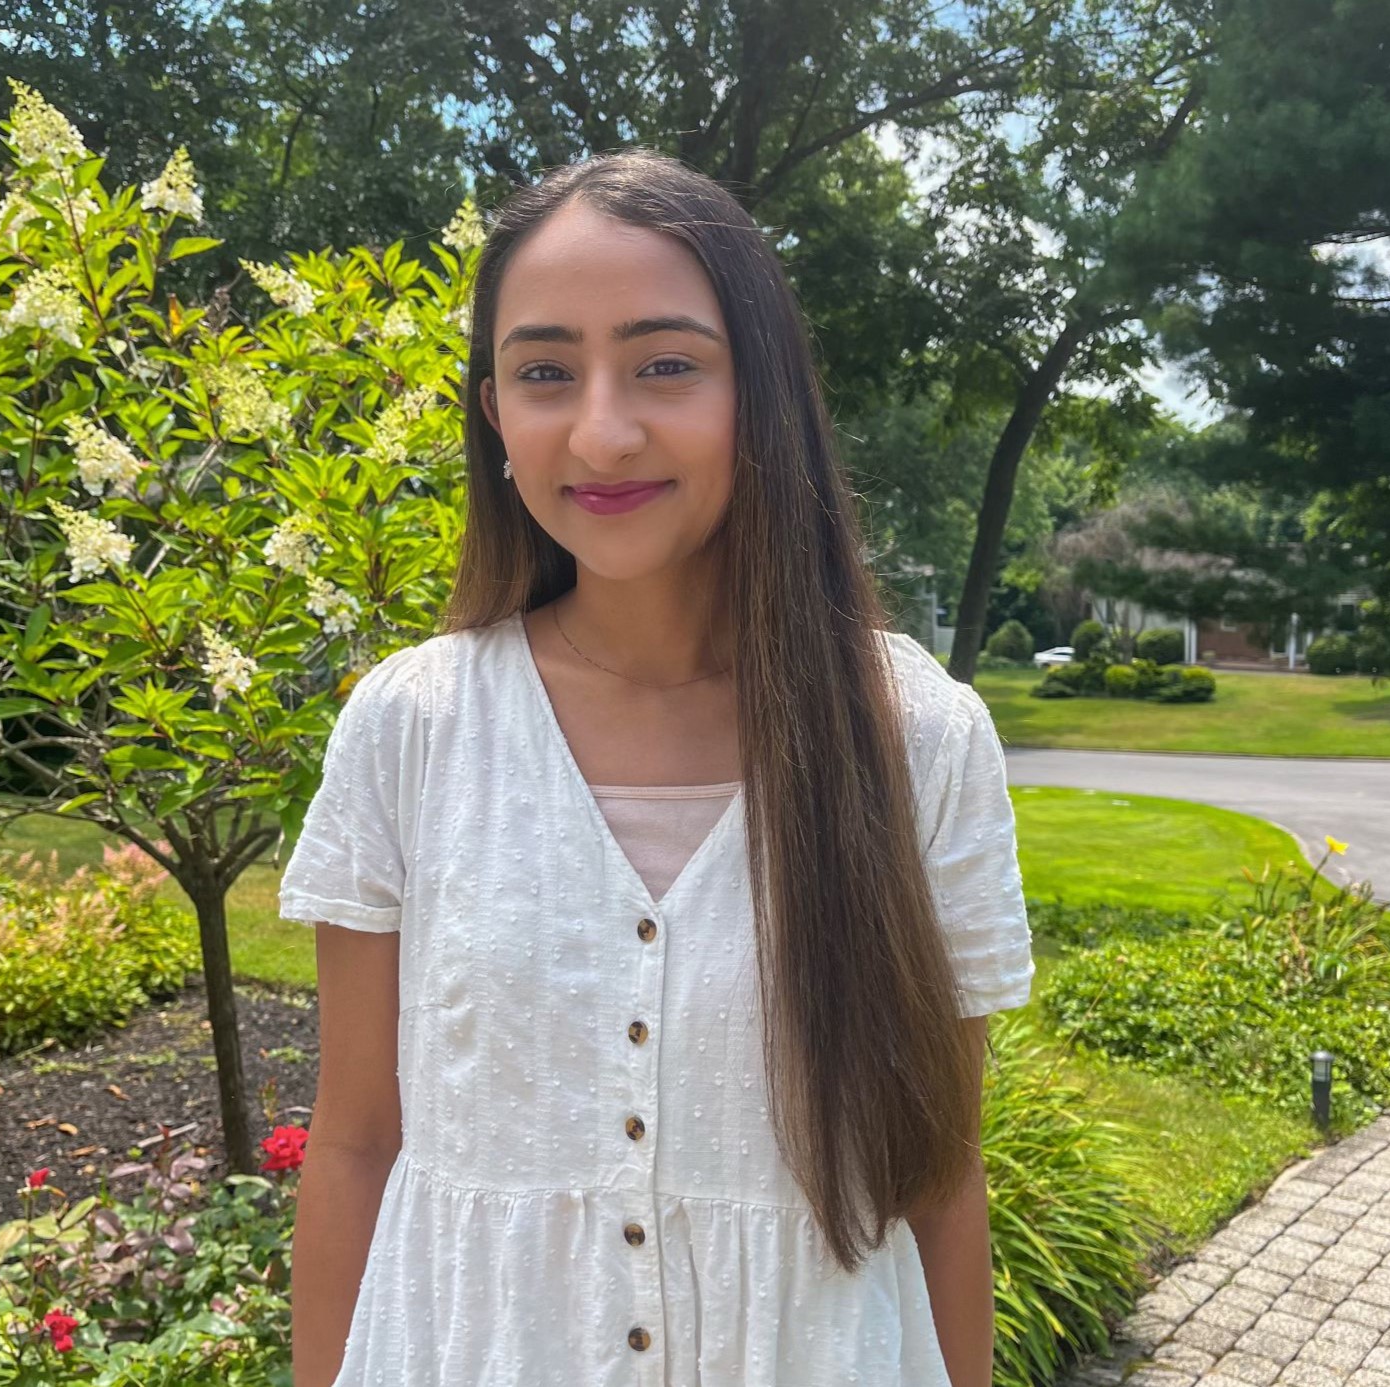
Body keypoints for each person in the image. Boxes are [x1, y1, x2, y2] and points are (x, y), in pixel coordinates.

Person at [279, 146, 1034, 1387]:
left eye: (666, 364)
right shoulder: (412, 727)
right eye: (544, 373)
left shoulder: (915, 736)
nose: (603, 429)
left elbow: (939, 1173)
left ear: (764, 393)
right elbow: (357, 1142)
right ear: (494, 416)